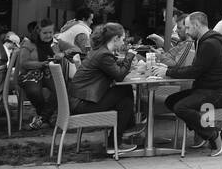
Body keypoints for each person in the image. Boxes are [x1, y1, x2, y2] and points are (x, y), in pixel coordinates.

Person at [164, 12, 222, 155]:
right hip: (205, 89)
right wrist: (168, 70)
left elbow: (194, 71)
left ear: (197, 25)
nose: (187, 32)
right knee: (170, 101)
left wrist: (167, 72)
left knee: (181, 107)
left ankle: (214, 134)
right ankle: (202, 132)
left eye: (188, 28)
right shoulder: (202, 40)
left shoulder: (209, 43)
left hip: (217, 93)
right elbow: (196, 69)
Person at [69, 22, 138, 155]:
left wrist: (123, 62)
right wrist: (129, 56)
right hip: (82, 104)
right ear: (115, 39)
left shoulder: (99, 51)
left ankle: (117, 140)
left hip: (79, 100)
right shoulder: (103, 55)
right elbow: (119, 76)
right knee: (125, 90)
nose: (123, 42)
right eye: (122, 39)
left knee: (125, 102)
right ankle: (127, 128)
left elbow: (112, 67)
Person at [16, 19, 58, 129]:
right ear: (38, 32)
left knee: (61, 89)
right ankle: (46, 118)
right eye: (45, 33)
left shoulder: (55, 43)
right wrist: (41, 64)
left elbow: (74, 49)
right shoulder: (28, 43)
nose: (49, 35)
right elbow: (24, 63)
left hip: (49, 73)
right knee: (34, 91)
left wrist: (64, 53)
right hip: (30, 74)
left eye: (51, 32)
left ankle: (42, 119)